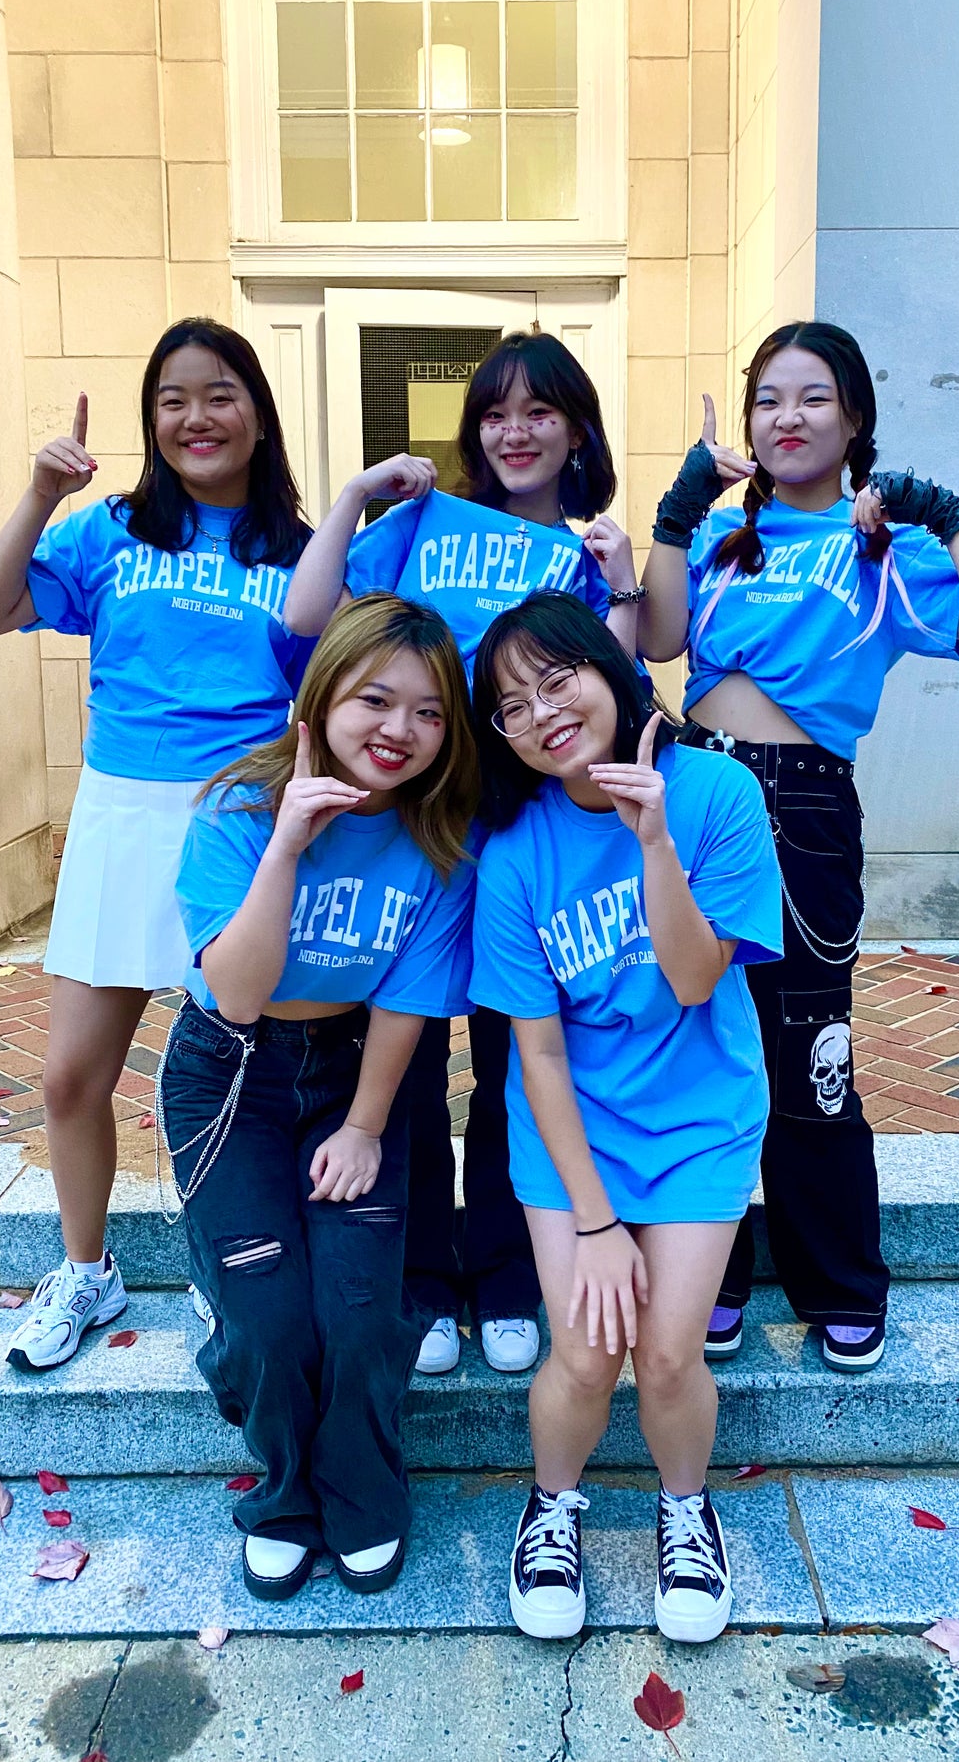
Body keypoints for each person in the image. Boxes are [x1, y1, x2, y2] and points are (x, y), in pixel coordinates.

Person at [638, 319, 959, 1372]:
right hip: (696, 787)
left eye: (811, 396)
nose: (786, 416)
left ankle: (839, 1282)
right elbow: (655, 640)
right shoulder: (728, 542)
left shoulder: (884, 548)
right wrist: (676, 518)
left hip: (804, 804)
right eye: (767, 396)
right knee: (693, 1031)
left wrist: (940, 511)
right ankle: (709, 1272)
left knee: (808, 1053)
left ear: (853, 416)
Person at [0, 318, 313, 1371]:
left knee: (233, 1084)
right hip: (121, 815)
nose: (196, 416)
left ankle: (227, 1265)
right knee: (72, 1076)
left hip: (240, 822)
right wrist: (37, 494)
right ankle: (88, 1269)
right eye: (172, 399)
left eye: (219, 393)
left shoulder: (297, 550)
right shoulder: (107, 530)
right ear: (151, 421)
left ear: (257, 411)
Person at [285, 332, 644, 1382]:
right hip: (415, 827)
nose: (514, 431)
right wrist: (354, 497)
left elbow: (613, 699)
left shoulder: (585, 553)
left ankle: (500, 1273)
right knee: (394, 1063)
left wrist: (619, 589)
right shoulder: (419, 529)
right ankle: (421, 1279)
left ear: (576, 426)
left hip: (526, 840)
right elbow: (308, 617)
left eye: (538, 411)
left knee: (509, 1061)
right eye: (494, 412)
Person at [468, 593, 782, 1643]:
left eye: (557, 679)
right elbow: (539, 1051)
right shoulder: (513, 850)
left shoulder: (717, 794)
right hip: (575, 1126)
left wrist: (651, 839)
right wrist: (595, 1222)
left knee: (664, 1350)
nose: (543, 712)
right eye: (512, 705)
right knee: (583, 1350)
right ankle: (551, 1505)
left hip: (699, 1115)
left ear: (608, 669)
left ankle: (684, 1510)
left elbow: (695, 980)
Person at [158, 594, 479, 1601]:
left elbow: (405, 1003)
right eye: (374, 700)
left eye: (428, 712)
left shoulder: (438, 839)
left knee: (357, 1311)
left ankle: (364, 1495)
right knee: (268, 1322)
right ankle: (284, 1493)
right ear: (322, 697)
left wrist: (364, 1125)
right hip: (232, 1074)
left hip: (351, 1070)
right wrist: (288, 848)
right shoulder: (237, 811)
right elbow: (241, 991)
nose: (398, 730)